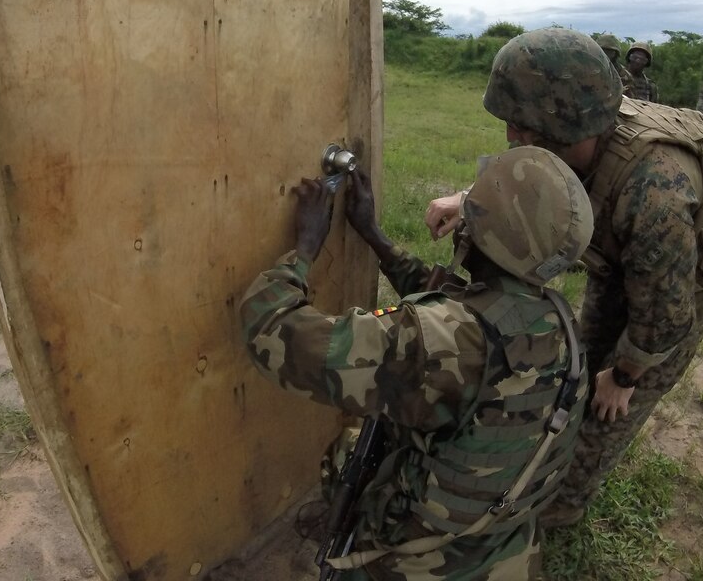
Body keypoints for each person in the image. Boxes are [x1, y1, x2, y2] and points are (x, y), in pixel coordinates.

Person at [423, 28, 703, 529]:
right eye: (511, 123)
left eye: (524, 126)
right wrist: (469, 197)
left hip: (684, 283)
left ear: (570, 122)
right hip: (621, 255)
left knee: (610, 409)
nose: (512, 138)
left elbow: (665, 316)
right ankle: (549, 463)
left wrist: (625, 375)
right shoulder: (580, 129)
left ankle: (563, 507)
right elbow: (538, 169)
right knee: (582, 366)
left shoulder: (655, 192)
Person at [240, 146, 594, 580]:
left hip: (422, 561)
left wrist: (304, 249)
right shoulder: (560, 326)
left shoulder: (440, 344)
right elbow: (454, 307)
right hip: (502, 549)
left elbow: (271, 330)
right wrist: (375, 238)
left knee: (347, 453)